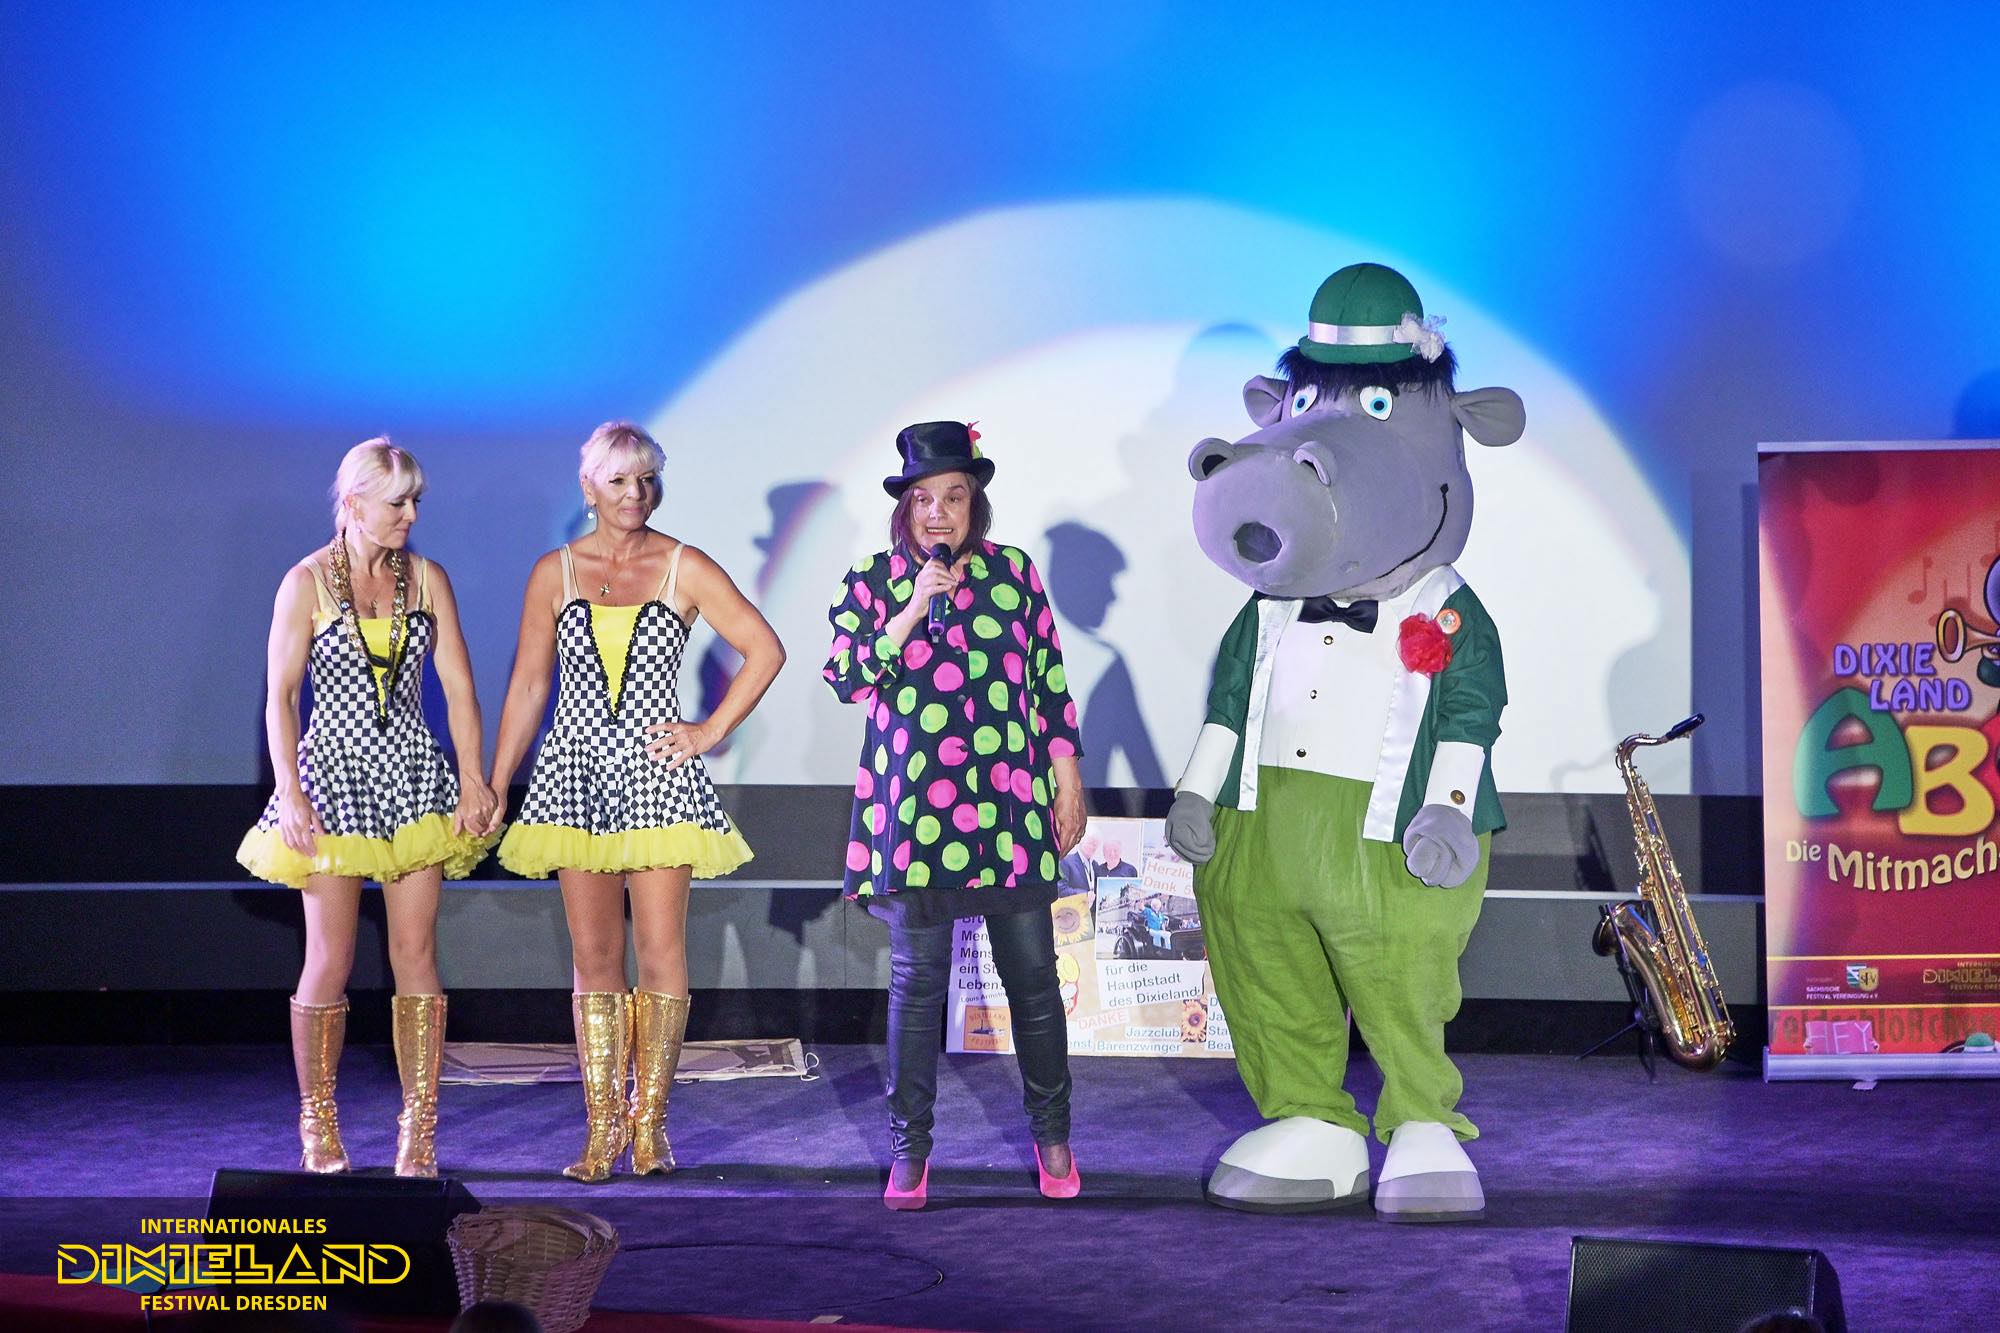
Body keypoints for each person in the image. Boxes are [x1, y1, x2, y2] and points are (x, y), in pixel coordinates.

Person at [486, 421, 784, 1181]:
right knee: (593, 959)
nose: (635, 493)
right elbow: (529, 684)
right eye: (619, 480)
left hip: (656, 779)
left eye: (646, 479)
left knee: (660, 951)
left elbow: (765, 648)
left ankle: (649, 1125)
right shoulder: (554, 572)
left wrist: (709, 730)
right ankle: (601, 1130)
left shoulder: (684, 564)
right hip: (574, 776)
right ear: (588, 488)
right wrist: (496, 778)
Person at [823, 420, 1087, 1210]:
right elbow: (846, 675)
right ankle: (910, 1148)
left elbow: (1047, 680)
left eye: (954, 496)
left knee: (1033, 978)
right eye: (923, 498)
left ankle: (1053, 1136)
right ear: (904, 507)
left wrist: (1067, 778)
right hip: (918, 812)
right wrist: (909, 610)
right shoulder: (873, 580)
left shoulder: (1014, 574)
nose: (938, 512)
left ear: (976, 504)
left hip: (1009, 805)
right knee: (917, 985)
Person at [238, 438, 498, 1178]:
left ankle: (420, 1129)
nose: (411, 515)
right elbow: (282, 697)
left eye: (415, 501)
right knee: (331, 956)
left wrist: (473, 776)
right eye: (397, 502)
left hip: (412, 775)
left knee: (416, 953)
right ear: (353, 503)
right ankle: (318, 1120)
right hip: (334, 778)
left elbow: (459, 688)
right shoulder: (306, 582)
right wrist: (289, 790)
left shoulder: (427, 579)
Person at [1057, 832, 1100, 896]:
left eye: (1095, 844)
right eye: (1089, 843)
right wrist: (1085, 895)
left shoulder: (1095, 865)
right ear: (1081, 842)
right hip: (1075, 902)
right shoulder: (1066, 861)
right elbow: (1061, 890)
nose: (1092, 847)